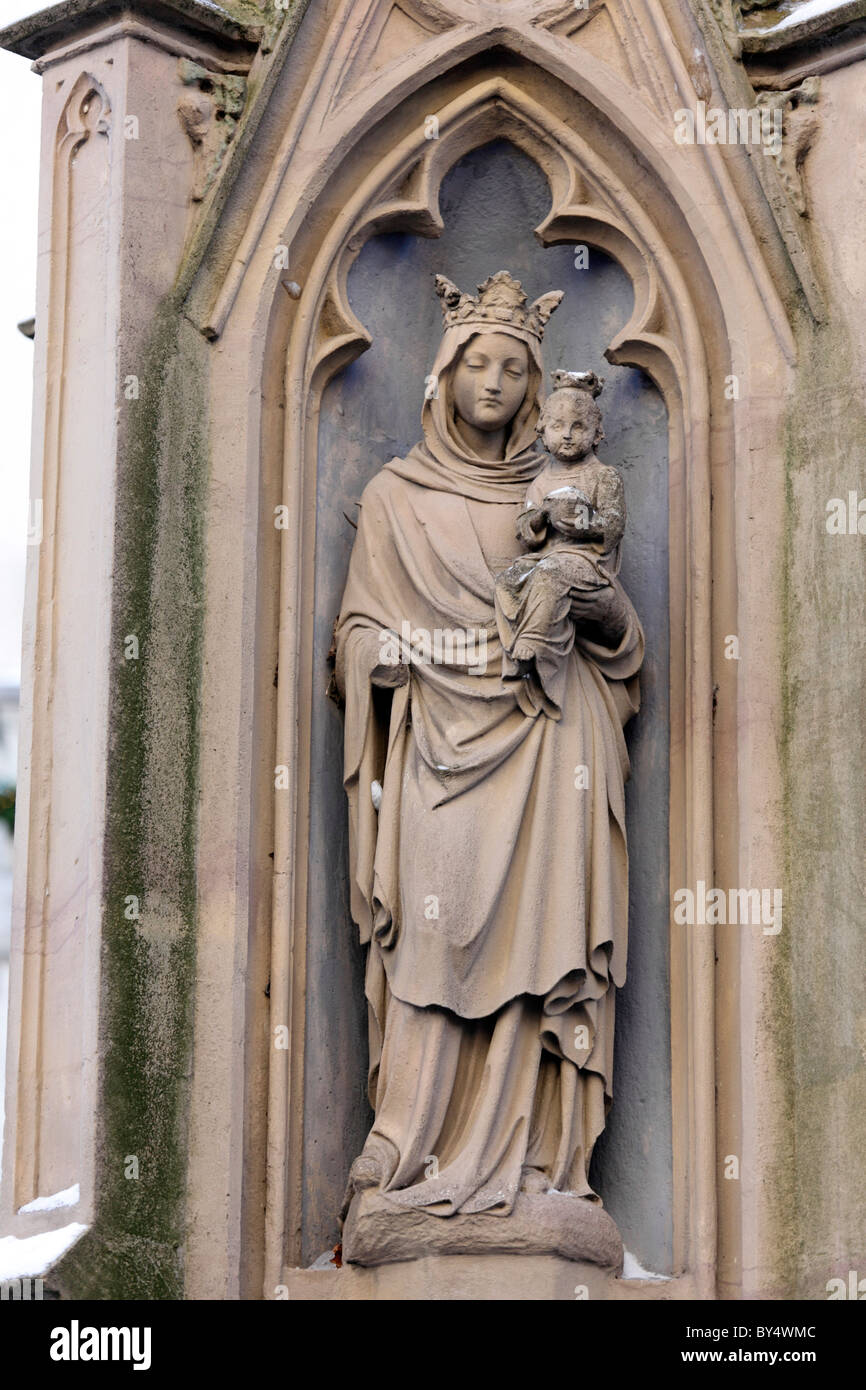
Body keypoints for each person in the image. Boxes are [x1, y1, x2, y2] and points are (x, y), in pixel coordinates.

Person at [334, 271, 644, 1225]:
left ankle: (540, 1161)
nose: (498, 383)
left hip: (555, 737)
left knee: (542, 939)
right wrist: (385, 658)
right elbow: (354, 636)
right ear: (444, 374)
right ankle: (408, 1134)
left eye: (517, 367)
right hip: (436, 744)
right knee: (432, 928)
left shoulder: (562, 492)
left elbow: (625, 655)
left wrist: (602, 609)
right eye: (480, 364)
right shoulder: (396, 496)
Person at [495, 370, 628, 716]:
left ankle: (536, 645)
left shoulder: (603, 475)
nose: (567, 435)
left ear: (597, 433)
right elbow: (524, 528)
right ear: (542, 432)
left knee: (553, 572)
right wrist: (540, 519)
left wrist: (581, 522)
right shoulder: (541, 481)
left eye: (578, 427)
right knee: (510, 579)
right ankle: (521, 643)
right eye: (557, 426)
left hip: (586, 564)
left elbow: (613, 527)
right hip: (548, 559)